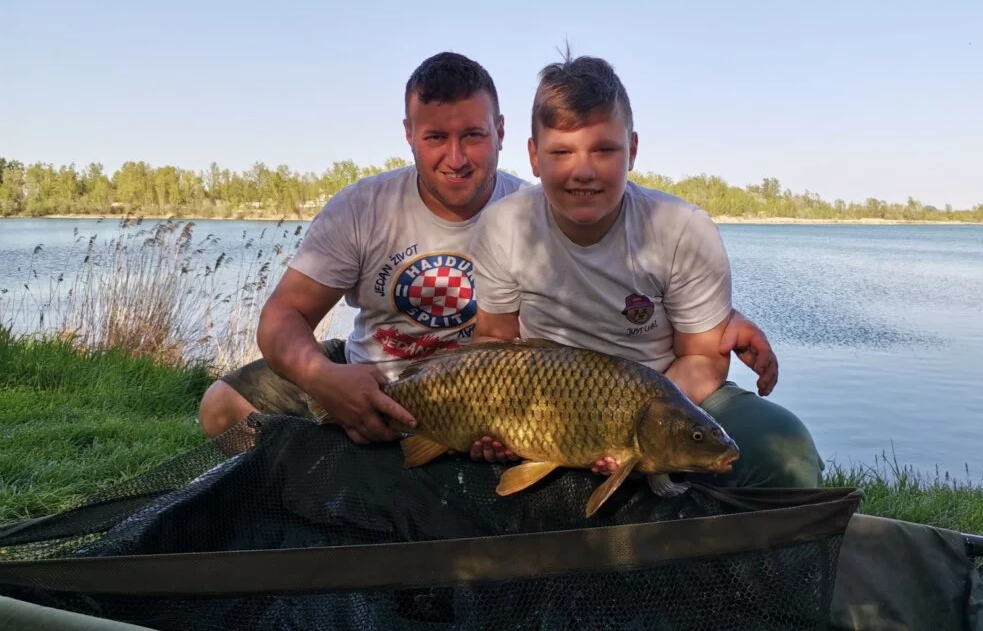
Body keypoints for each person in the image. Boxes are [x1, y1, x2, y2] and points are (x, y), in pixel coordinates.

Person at [196, 51, 782, 460]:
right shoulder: (364, 207)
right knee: (221, 409)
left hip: (495, 396)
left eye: (473, 135)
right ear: (409, 134)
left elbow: (602, 288)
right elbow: (282, 315)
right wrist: (323, 378)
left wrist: (719, 320)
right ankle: (306, 477)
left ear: (501, 134)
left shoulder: (539, 206)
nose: (456, 158)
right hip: (371, 373)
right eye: (435, 137)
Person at [467, 50, 823, 488]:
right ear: (534, 156)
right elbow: (494, 341)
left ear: (632, 150)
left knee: (785, 448)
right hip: (544, 407)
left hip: (667, 395)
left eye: (604, 150)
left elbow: (701, 358)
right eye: (561, 152)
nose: (583, 171)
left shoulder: (681, 229)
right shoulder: (504, 225)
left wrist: (634, 429)